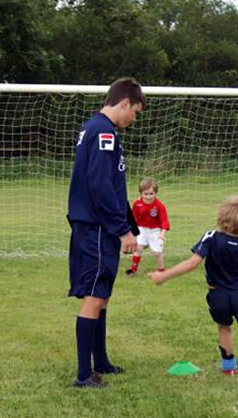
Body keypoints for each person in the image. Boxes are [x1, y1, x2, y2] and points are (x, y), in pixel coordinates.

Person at [66, 77, 146, 388]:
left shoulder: (98, 128)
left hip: (98, 225)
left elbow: (110, 184)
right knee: (94, 295)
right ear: (124, 102)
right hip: (97, 227)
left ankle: (101, 361)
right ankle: (85, 376)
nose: (134, 119)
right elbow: (100, 186)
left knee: (103, 296)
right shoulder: (102, 132)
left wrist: (127, 227)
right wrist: (122, 230)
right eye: (135, 112)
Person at [148, 196, 238, 374]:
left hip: (217, 295)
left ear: (222, 219)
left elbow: (192, 263)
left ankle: (229, 369)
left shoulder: (211, 237)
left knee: (224, 329)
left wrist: (164, 276)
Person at [126, 177, 170, 276]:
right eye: (146, 194)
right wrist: (132, 232)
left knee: (157, 253)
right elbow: (134, 218)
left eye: (151, 194)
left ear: (155, 193)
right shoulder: (137, 204)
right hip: (142, 228)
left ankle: (161, 271)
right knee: (138, 248)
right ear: (141, 193)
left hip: (155, 231)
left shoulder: (159, 205)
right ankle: (133, 270)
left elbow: (164, 221)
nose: (148, 196)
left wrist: (162, 234)